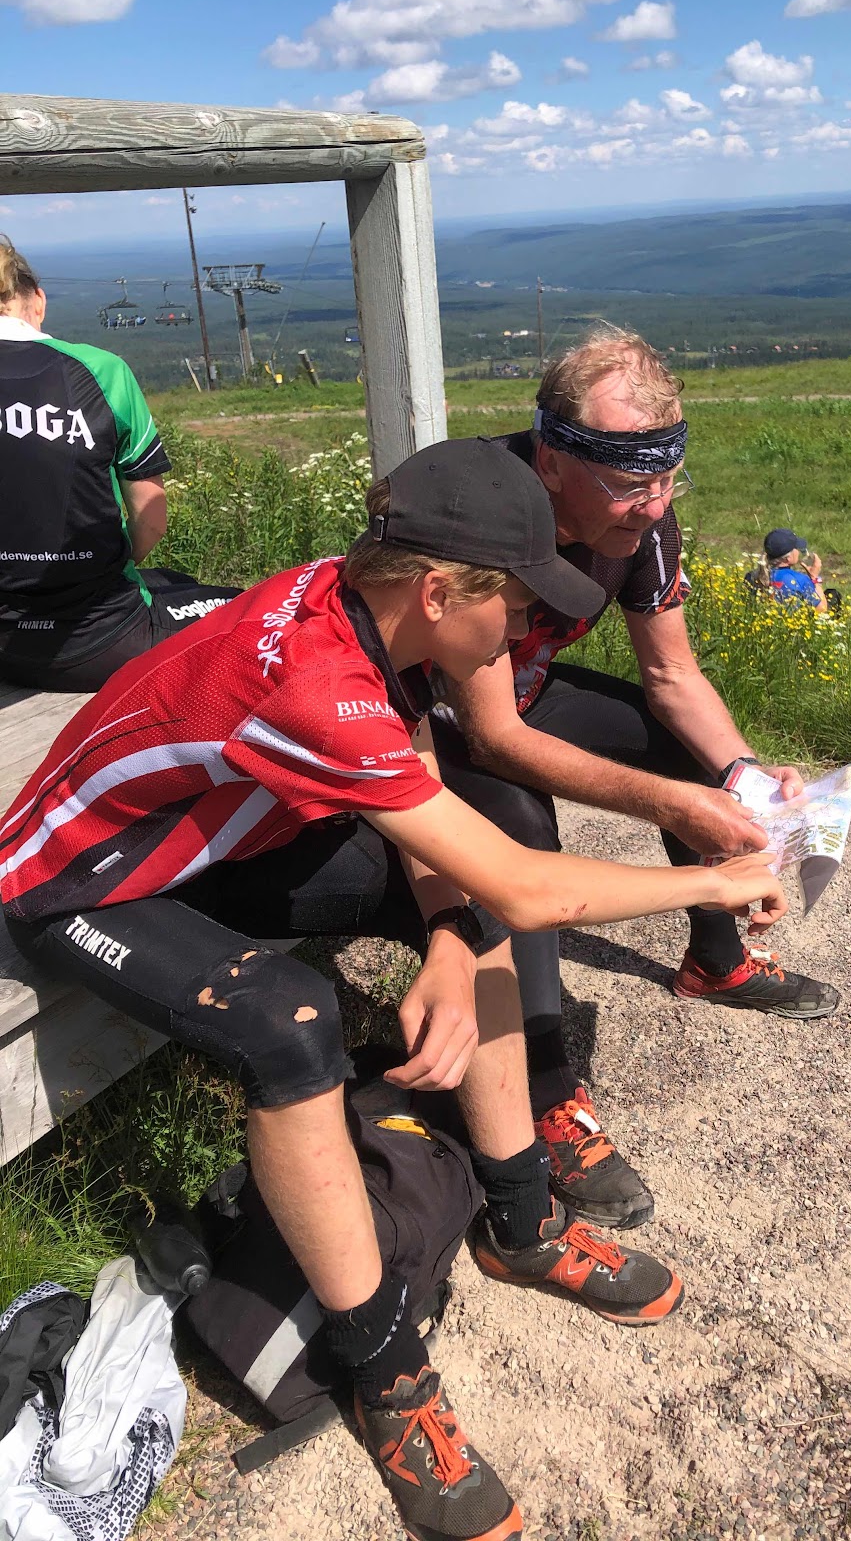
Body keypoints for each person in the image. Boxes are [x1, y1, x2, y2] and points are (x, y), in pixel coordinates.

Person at [1, 437, 785, 1541]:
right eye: (515, 606)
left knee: (475, 909)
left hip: (215, 834)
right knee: (290, 1026)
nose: (523, 631)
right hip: (80, 875)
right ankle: (386, 1373)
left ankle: (520, 1222)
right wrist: (714, 874)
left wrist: (452, 941)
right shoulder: (314, 682)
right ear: (439, 592)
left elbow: (433, 799)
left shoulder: (362, 603)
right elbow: (531, 883)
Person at [429, 325, 841, 1237]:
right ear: (551, 461)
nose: (651, 505)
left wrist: (740, 777)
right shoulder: (490, 512)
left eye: (669, 480)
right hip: (434, 723)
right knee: (522, 830)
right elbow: (491, 738)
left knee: (692, 754)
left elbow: (673, 675)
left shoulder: (644, 519)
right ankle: (543, 1097)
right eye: (627, 482)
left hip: (520, 693)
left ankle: (715, 961)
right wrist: (671, 803)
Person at [0, 235, 238, 692]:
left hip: (5, 647)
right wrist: (106, 568)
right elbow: (151, 515)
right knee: (251, 608)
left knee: (170, 580)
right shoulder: (100, 371)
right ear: (38, 301)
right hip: (101, 641)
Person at [747, 528, 829, 613]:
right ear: (787, 558)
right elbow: (822, 609)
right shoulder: (799, 580)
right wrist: (815, 578)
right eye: (796, 548)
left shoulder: (751, 576)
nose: (798, 551)